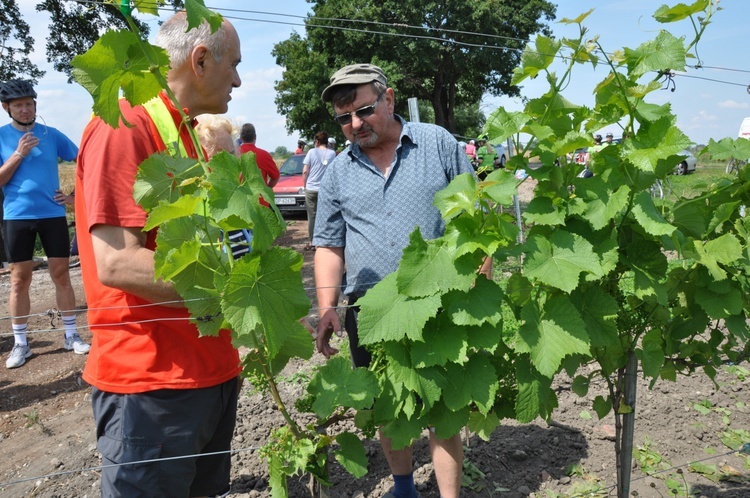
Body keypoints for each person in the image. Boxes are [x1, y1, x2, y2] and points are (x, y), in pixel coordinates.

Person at [74, 11, 242, 496]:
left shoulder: (187, 132)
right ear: (201, 60)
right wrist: (235, 291)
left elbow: (213, 245)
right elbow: (117, 262)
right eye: (233, 64)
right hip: (153, 383)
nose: (237, 79)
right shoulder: (125, 124)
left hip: (207, 370)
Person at [314, 63, 487, 498]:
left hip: (440, 301)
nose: (355, 124)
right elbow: (330, 246)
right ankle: (404, 486)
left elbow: (472, 221)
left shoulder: (436, 143)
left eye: (365, 110)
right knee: (387, 404)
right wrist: (328, 306)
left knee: (443, 408)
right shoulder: (337, 171)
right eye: (344, 118)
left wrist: (480, 280)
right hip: (373, 312)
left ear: (389, 99)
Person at [0, 79, 89, 369]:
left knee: (61, 275)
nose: (25, 109)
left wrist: (74, 196)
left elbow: (83, 160)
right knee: (18, 280)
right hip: (17, 216)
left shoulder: (52, 135)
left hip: (53, 215)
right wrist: (18, 154)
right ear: (7, 108)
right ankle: (21, 343)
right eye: (18, 105)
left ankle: (71, 335)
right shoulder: (1, 137)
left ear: (35, 105)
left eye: (29, 104)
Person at [302, 131, 335, 251]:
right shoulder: (332, 154)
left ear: (316, 141)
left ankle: (312, 241)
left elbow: (305, 170)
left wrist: (305, 185)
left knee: (312, 216)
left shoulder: (311, 151)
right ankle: (325, 241)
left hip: (311, 188)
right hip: (326, 189)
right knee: (325, 215)